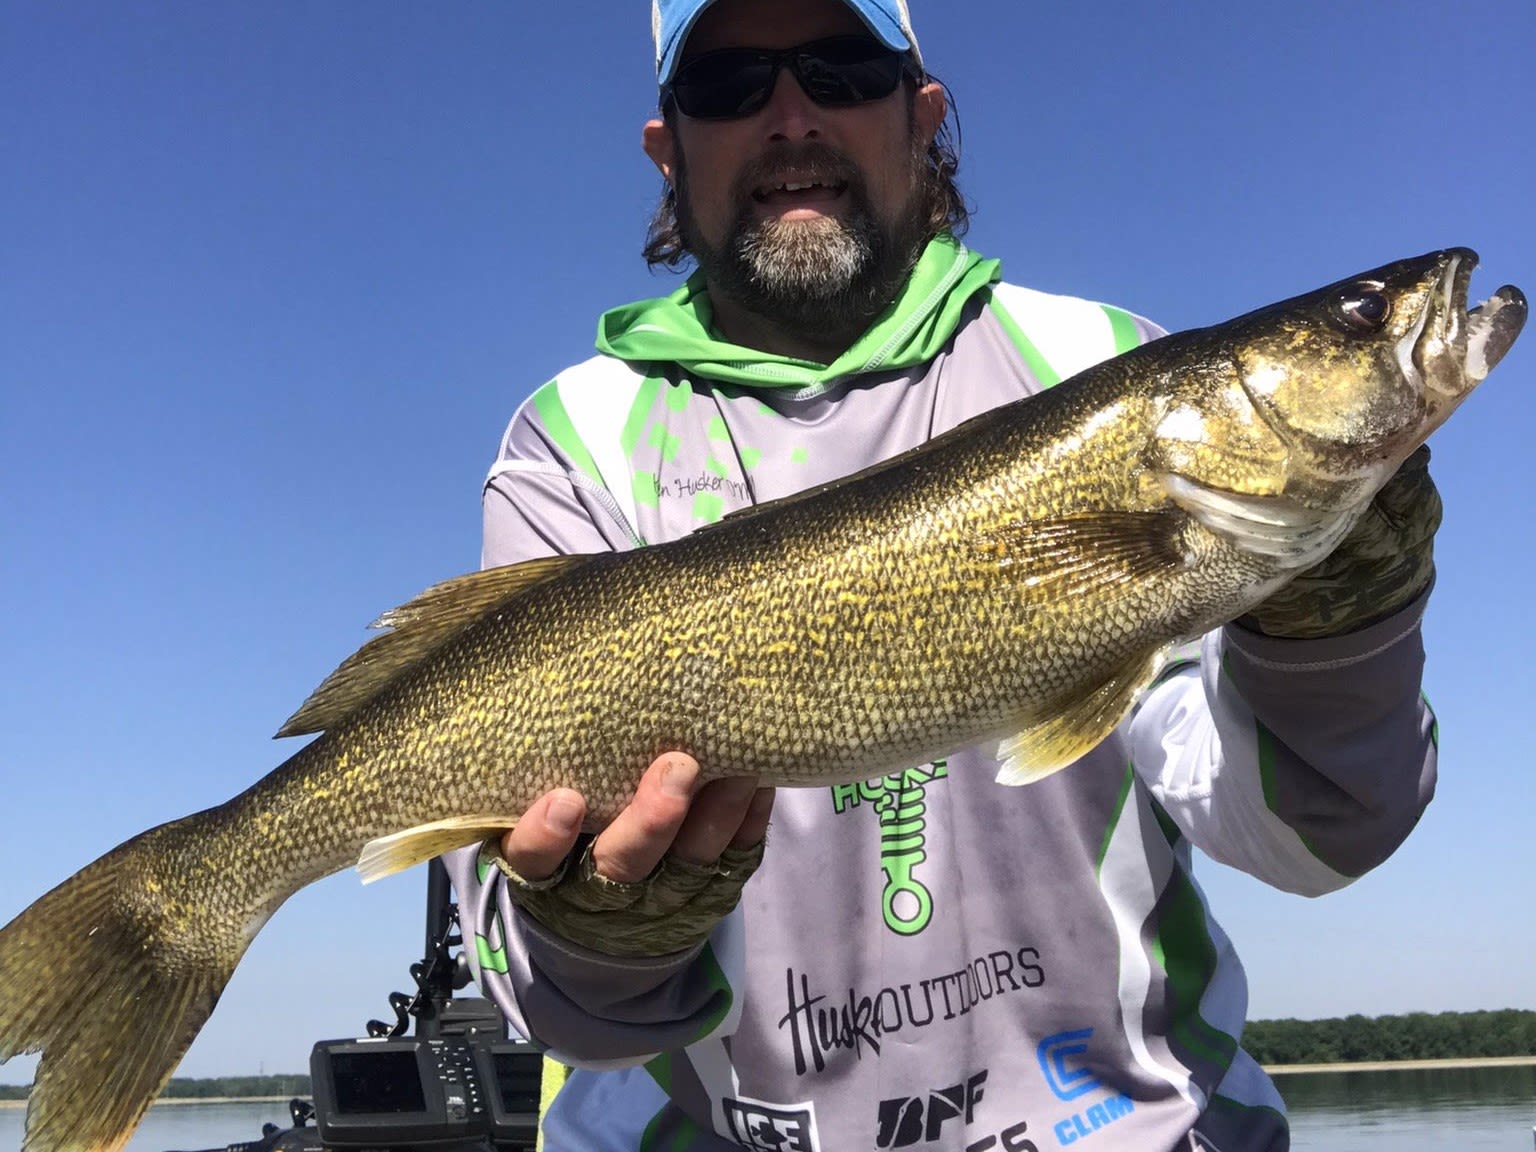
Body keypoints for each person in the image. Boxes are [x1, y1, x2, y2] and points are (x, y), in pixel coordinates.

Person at [444, 1, 1441, 1148]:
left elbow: (1308, 839)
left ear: (922, 117)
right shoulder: (572, 440)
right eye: (729, 85)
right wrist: (599, 932)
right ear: (668, 147)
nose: (789, 116)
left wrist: (1339, 632)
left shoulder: (1102, 371)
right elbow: (555, 1007)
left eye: (841, 69)